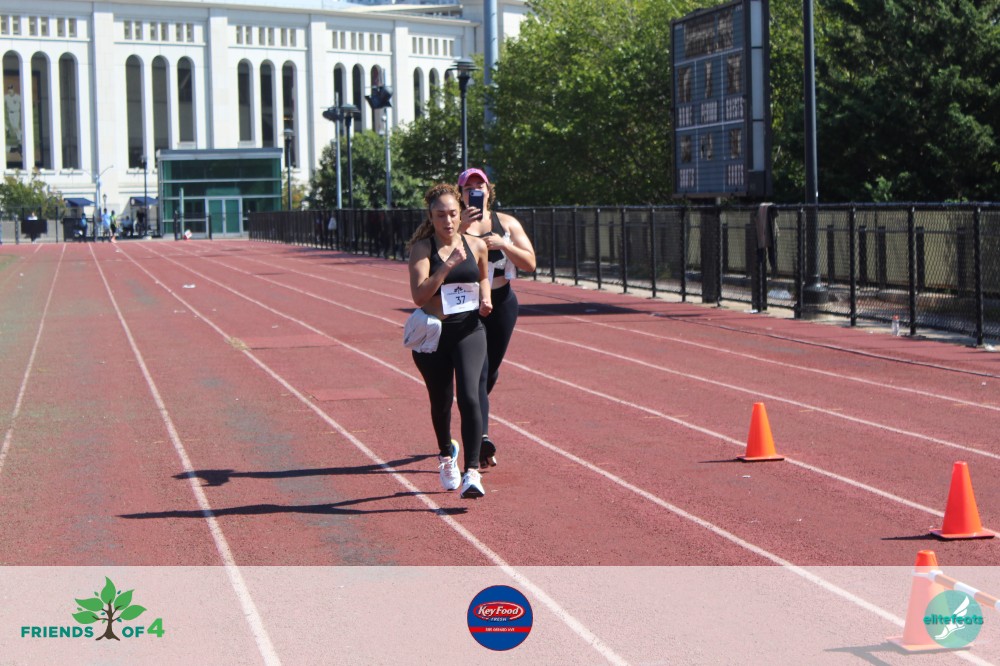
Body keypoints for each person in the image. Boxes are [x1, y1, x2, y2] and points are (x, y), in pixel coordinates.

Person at [407, 183, 492, 499]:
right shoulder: (422, 249)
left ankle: (472, 472)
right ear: (431, 217)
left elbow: (483, 276)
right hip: (434, 334)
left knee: (470, 396)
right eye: (440, 215)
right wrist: (447, 265)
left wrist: (486, 298)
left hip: (469, 330)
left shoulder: (476, 245)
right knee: (441, 401)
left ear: (461, 213)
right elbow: (419, 296)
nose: (448, 221)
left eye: (453, 214)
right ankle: (446, 454)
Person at [457, 168, 537, 468]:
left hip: (502, 303)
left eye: (480, 186)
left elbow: (530, 263)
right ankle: (481, 437)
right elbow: (435, 253)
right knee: (478, 372)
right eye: (468, 188)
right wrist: (461, 229)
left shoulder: (507, 223)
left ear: (489, 191)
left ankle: (472, 413)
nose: (475, 192)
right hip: (469, 304)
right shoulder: (454, 223)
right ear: (460, 194)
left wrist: (505, 245)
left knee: (489, 373)